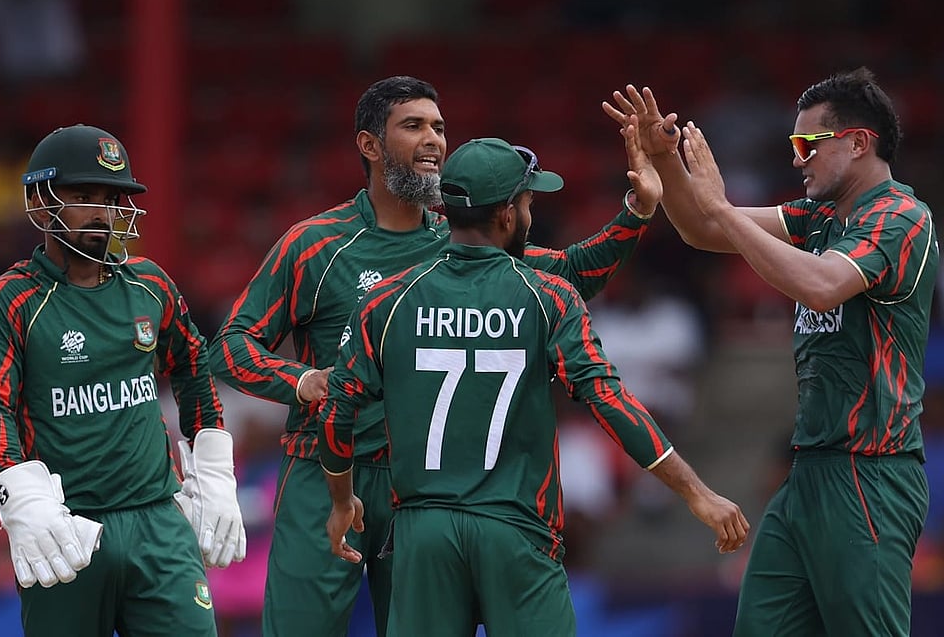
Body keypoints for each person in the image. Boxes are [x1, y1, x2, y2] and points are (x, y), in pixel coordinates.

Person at [210, 75, 663, 637]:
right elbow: (229, 348)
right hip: (323, 471)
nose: (434, 140)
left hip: (420, 488)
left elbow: (568, 273)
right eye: (414, 125)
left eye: (439, 127)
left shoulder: (461, 238)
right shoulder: (314, 245)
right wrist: (303, 381)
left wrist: (635, 214)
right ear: (369, 145)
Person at [318, 137, 750, 637]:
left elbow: (337, 408)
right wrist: (695, 492)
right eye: (526, 203)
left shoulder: (387, 300)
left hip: (423, 532)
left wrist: (341, 498)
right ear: (505, 215)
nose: (529, 213)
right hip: (516, 529)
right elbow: (608, 399)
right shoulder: (548, 296)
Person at [603, 69, 937, 636]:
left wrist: (725, 209)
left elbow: (822, 285)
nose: (797, 159)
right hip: (807, 470)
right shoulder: (822, 217)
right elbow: (702, 229)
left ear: (858, 142)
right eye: (793, 146)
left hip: (871, 473)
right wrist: (667, 163)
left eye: (808, 145)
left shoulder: (900, 217)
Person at [0, 123, 246, 637]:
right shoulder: (10, 299)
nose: (102, 212)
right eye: (83, 195)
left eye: (112, 198)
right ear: (39, 200)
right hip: (67, 529)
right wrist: (22, 499)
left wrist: (214, 473)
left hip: (158, 521)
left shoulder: (151, 283)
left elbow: (194, 372)